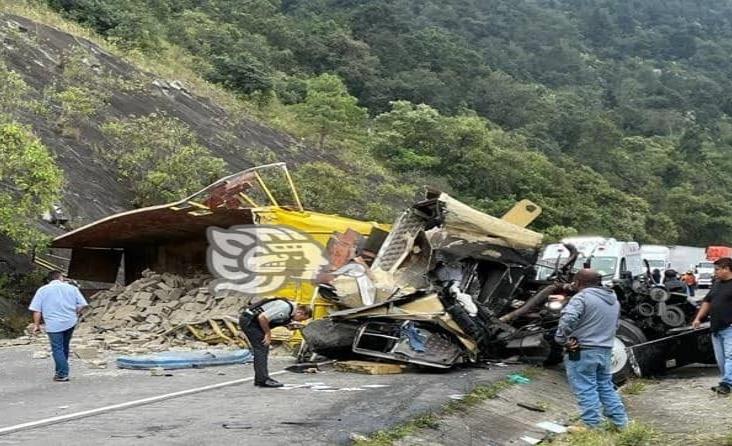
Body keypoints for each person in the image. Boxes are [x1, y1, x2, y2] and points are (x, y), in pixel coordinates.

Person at [555, 269, 628, 429]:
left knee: (585, 388)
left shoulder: (581, 297)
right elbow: (615, 326)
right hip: (605, 349)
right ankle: (621, 423)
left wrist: (562, 339)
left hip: (580, 350)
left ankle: (593, 427)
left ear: (579, 282)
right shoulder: (614, 301)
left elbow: (568, 319)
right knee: (605, 386)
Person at [28, 270, 88, 382]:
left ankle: (62, 374)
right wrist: (76, 311)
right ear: (60, 278)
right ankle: (59, 371)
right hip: (70, 321)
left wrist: (36, 325)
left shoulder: (42, 290)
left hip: (53, 323)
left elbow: (37, 310)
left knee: (57, 348)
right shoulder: (72, 288)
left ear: (49, 279)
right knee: (65, 346)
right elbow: (83, 304)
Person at [239, 298, 312, 388]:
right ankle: (262, 380)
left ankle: (261, 378)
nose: (300, 321)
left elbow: (274, 318)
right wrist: (268, 334)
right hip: (250, 321)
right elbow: (262, 318)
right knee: (262, 347)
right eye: (301, 319)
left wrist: (288, 326)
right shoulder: (285, 307)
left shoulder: (289, 312)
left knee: (262, 348)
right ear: (300, 312)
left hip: (254, 321)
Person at [692, 257, 732, 396]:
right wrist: (698, 318)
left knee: (730, 357)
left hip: (730, 328)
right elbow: (707, 302)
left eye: (717, 269)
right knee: (721, 360)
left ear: (726, 269)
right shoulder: (717, 284)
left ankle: (726, 384)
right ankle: (726, 382)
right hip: (716, 328)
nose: (715, 272)